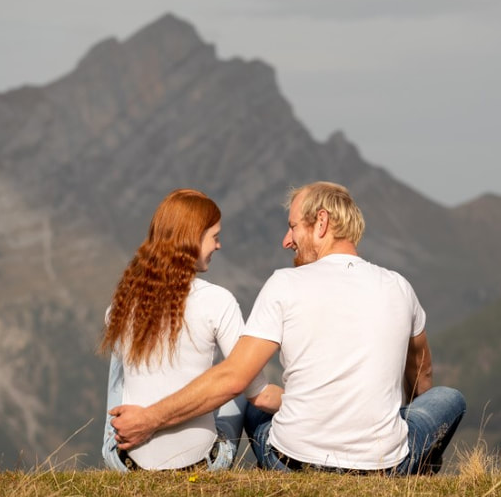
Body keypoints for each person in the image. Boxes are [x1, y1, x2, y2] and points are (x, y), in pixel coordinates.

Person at [110, 181, 465, 474]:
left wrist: (149, 419)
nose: (286, 240)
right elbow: (422, 372)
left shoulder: (284, 283)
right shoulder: (399, 286)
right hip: (384, 465)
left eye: (293, 226)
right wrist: (392, 419)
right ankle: (419, 474)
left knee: (253, 403)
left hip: (290, 462)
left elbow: (234, 379)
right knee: (450, 399)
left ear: (321, 223)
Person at [100, 188, 281, 472]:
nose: (218, 245)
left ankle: (118, 439)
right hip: (200, 466)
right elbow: (260, 395)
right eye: (214, 237)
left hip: (128, 465)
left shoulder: (121, 304)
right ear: (192, 238)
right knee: (239, 381)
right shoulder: (218, 301)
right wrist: (308, 403)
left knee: (121, 364)